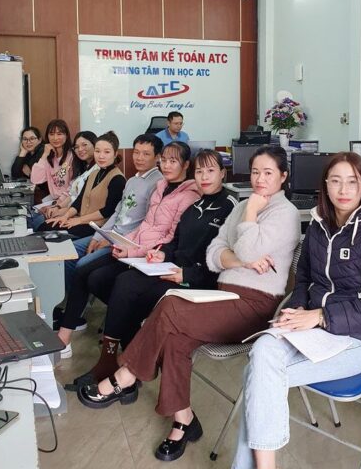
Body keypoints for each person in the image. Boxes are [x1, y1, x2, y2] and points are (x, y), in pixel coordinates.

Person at [77, 145, 301, 469]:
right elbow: (215, 252)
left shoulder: (284, 212)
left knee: (170, 305)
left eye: (268, 173)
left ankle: (125, 376)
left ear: (283, 176)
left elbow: (248, 248)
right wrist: (238, 259)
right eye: (255, 172)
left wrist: (251, 214)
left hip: (255, 306)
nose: (260, 179)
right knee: (174, 339)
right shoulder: (241, 206)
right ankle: (184, 420)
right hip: (223, 295)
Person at [209, 151, 361, 469]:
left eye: (352, 181)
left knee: (260, 374)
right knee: (263, 352)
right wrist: (293, 313)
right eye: (335, 180)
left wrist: (321, 316)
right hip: (313, 332)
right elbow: (305, 282)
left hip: (359, 341)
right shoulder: (319, 227)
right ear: (324, 185)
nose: (343, 189)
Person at [70, 149, 237, 386]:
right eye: (200, 171)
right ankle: (120, 360)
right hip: (171, 268)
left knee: (126, 287)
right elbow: (175, 241)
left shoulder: (230, 207)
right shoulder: (197, 204)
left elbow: (226, 259)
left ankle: (119, 364)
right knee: (111, 281)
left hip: (196, 282)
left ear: (223, 173)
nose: (204, 177)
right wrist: (163, 253)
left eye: (211, 171)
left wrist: (187, 274)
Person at [57, 141, 198, 362]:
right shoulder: (160, 186)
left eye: (173, 161)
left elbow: (170, 238)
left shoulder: (188, 196)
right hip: (133, 248)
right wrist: (123, 243)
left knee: (98, 277)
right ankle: (66, 336)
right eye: (165, 161)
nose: (167, 165)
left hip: (151, 257)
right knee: (86, 274)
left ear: (186, 164)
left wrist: (132, 250)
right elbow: (143, 225)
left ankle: (120, 345)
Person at [41, 131, 125, 239]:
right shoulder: (94, 173)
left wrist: (79, 220)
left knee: (51, 235)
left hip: (97, 226)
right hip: (82, 220)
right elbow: (79, 201)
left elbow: (107, 211)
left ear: (115, 154)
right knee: (45, 226)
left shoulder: (118, 179)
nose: (101, 156)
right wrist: (65, 217)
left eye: (107, 152)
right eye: (97, 151)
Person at [40, 130, 97, 223]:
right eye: (76, 147)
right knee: (37, 219)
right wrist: (57, 207)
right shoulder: (82, 167)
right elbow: (72, 194)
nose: (80, 149)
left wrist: (61, 212)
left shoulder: (97, 169)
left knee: (41, 223)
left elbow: (84, 203)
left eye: (84, 145)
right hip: (70, 210)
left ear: (95, 144)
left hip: (82, 217)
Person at [30, 119, 74, 202]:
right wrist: (45, 154)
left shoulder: (72, 156)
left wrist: (59, 203)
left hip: (69, 201)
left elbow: (74, 186)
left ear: (67, 135)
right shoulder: (49, 157)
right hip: (54, 199)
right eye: (51, 134)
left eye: (59, 134)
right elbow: (35, 179)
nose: (55, 138)